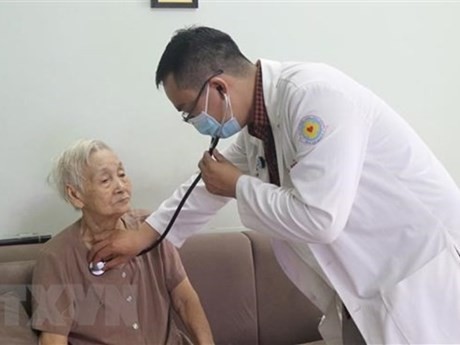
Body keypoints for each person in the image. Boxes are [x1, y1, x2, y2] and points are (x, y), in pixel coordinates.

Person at [89, 26, 460, 345]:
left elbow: (319, 219)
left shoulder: (315, 98)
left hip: (418, 274)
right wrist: (147, 235)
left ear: (218, 87)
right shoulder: (259, 126)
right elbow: (206, 186)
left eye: (189, 110)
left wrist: (239, 187)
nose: (191, 121)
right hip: (368, 283)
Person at [31, 139, 214, 345]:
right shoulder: (57, 257)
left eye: (121, 174)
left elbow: (185, 300)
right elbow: (53, 339)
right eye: (105, 181)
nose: (121, 187)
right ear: (75, 195)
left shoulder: (150, 228)